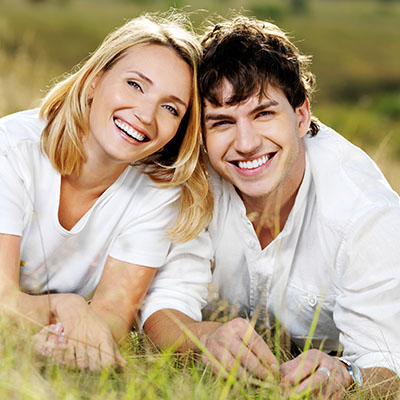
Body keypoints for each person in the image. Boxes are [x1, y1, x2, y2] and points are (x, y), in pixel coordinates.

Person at [142, 16, 400, 398]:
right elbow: (161, 306)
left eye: (263, 114)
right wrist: (203, 337)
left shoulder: (367, 215)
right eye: (222, 122)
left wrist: (347, 377)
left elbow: (389, 363)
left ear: (300, 116)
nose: (245, 143)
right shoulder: (193, 180)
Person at [0, 12, 213, 371]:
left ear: (179, 128)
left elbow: (113, 315)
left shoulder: (158, 193)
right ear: (96, 80)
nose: (146, 114)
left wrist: (67, 339)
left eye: (170, 107)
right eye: (135, 84)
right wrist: (64, 308)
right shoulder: (12, 150)